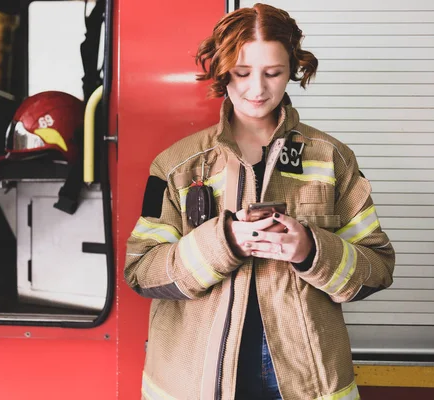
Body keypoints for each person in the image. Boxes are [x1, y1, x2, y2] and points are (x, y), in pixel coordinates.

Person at [124, 3, 395, 400]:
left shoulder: (331, 158)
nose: (257, 89)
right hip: (195, 381)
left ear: (293, 69)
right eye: (242, 72)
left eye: (273, 73)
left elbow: (377, 266)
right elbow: (142, 271)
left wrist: (311, 250)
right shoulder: (177, 165)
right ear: (221, 69)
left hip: (305, 380)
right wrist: (225, 242)